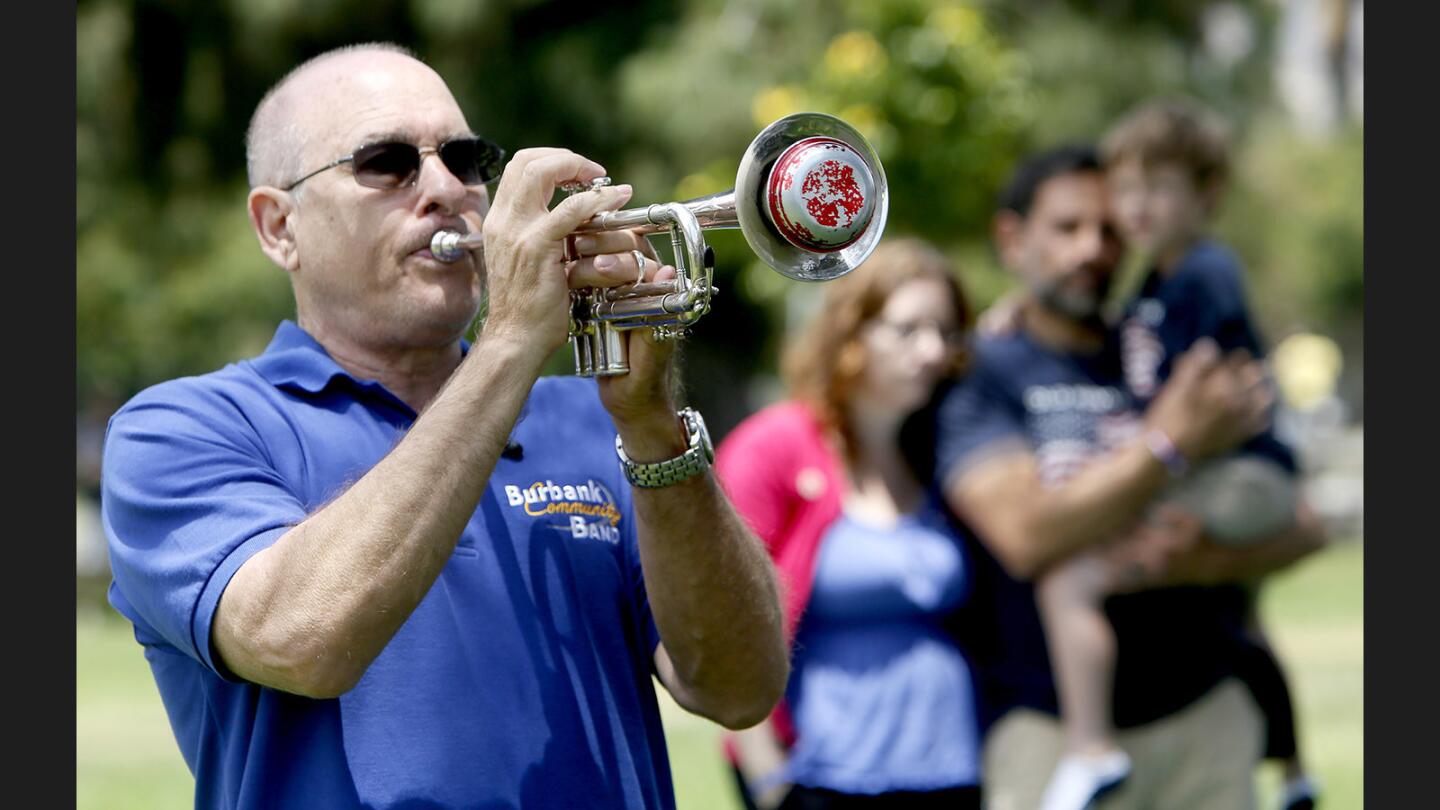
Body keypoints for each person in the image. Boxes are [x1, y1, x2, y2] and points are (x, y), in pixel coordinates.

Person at [100, 42, 789, 810]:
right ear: (278, 227)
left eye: (465, 160)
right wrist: (513, 341)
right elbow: (302, 639)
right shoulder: (181, 429)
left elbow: (740, 689)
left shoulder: (592, 419)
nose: (445, 188)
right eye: (387, 163)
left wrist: (654, 425)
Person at [934, 145, 1325, 810]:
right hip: (1048, 736)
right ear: (1012, 237)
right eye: (1067, 228)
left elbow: (1302, 524)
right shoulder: (979, 374)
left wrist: (1185, 560)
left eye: (1111, 230)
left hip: (1204, 719)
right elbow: (1026, 534)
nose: (1093, 249)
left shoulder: (1167, 350)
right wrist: (1167, 444)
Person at [1103, 98, 1322, 810]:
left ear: (1207, 194)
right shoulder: (1152, 281)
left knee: (1136, 543)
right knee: (1237, 628)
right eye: (1128, 188)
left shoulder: (1205, 272)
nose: (1139, 206)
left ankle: (1291, 767)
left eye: (1159, 188)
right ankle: (1293, 771)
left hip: (1243, 475)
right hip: (1210, 471)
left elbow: (1211, 391)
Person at [715, 238, 983, 809]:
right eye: (908, 329)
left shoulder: (937, 451)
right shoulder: (775, 447)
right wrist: (769, 782)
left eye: (946, 331)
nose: (933, 350)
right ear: (851, 332)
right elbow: (723, 618)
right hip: (822, 777)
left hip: (953, 770)